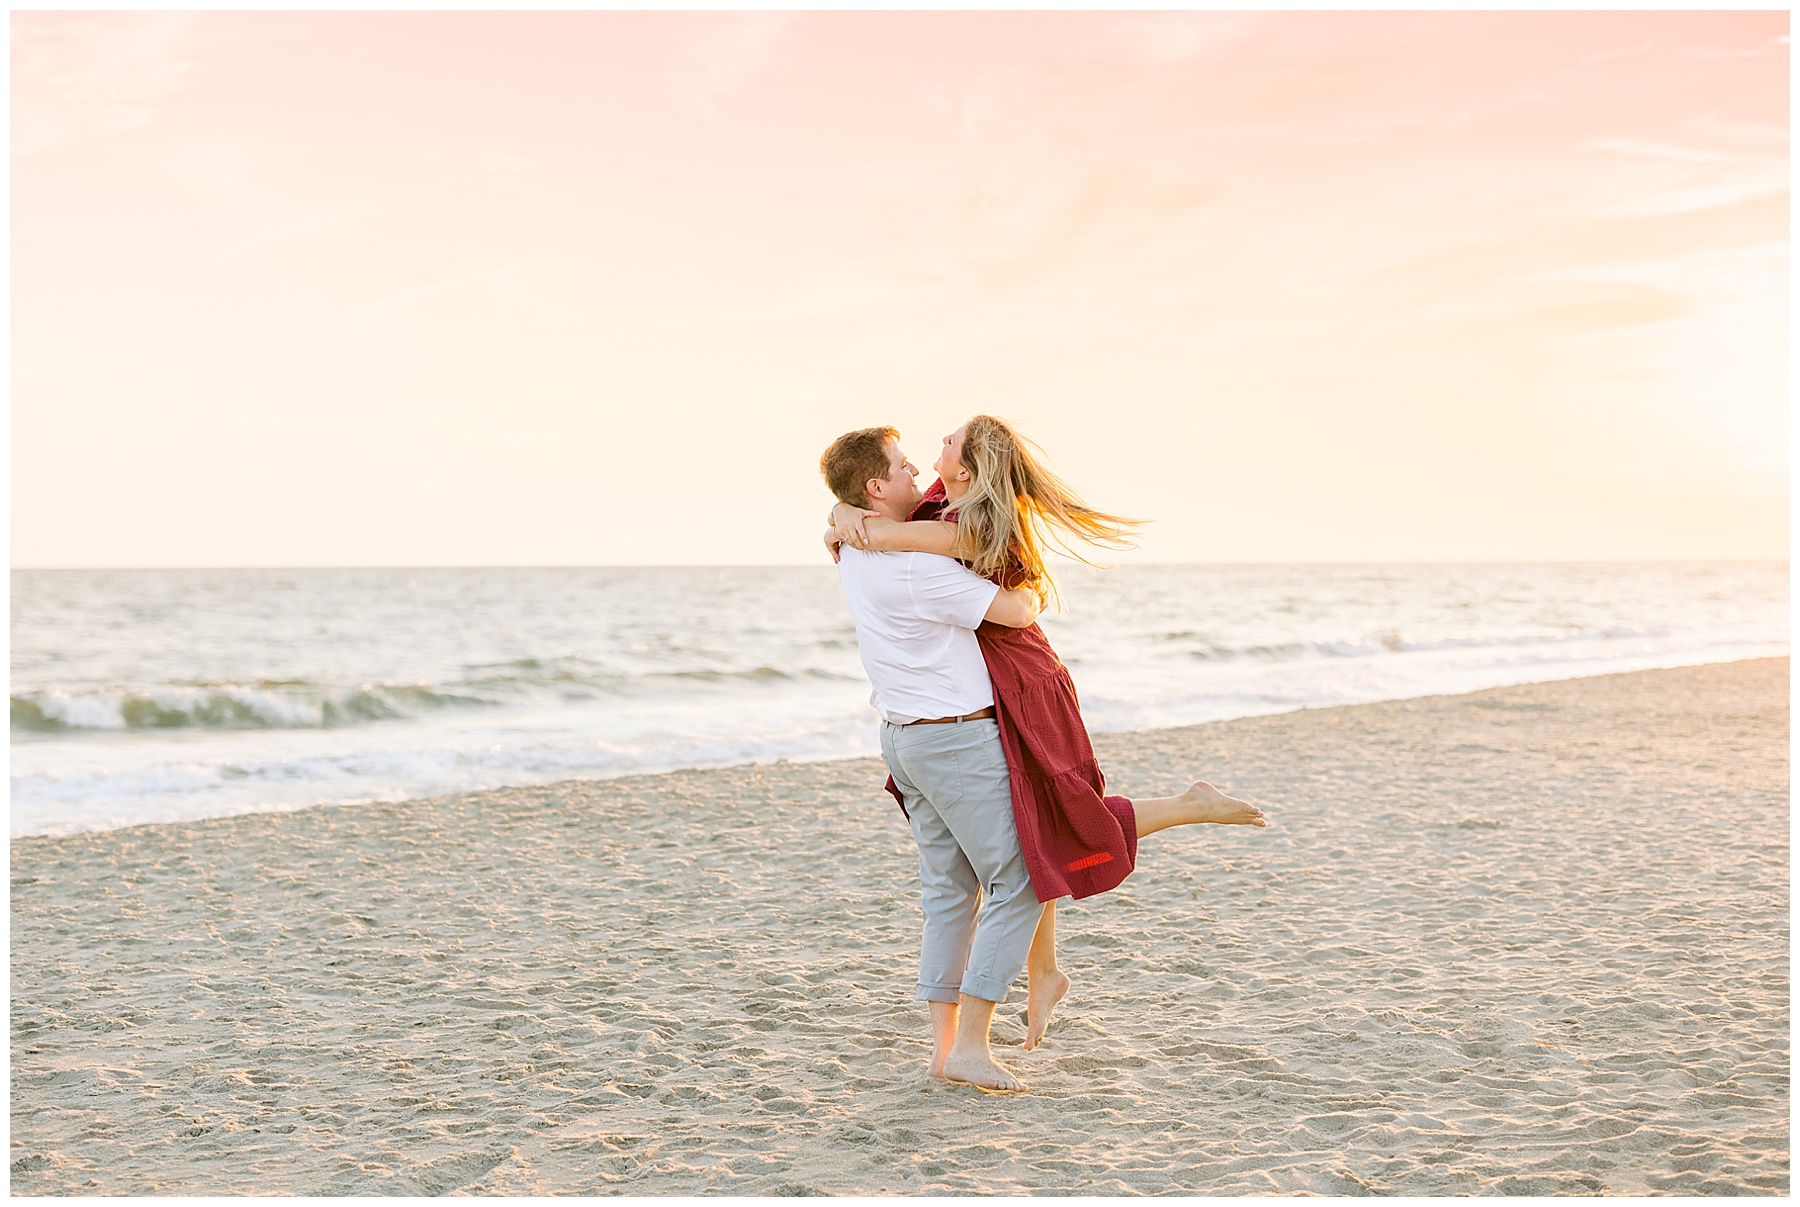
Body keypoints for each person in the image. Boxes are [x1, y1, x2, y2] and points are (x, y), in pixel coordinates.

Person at [821, 423, 1266, 1092]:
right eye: (905, 463)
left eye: (938, 450)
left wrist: (849, 518)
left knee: (963, 885)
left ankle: (954, 1043)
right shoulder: (919, 557)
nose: (922, 464)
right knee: (1026, 868)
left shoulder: (874, 547)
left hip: (931, 725)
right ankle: (976, 1040)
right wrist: (857, 517)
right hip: (963, 730)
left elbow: (988, 578)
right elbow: (1016, 608)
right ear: (880, 486)